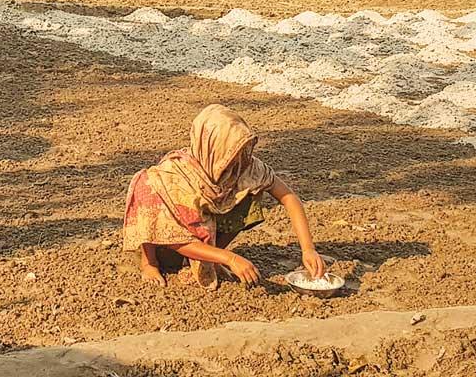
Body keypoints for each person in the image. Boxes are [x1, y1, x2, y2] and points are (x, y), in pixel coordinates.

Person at [122, 104, 326, 289]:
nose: (234, 160)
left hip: (203, 240)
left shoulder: (244, 167)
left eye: (237, 151)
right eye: (227, 153)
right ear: (209, 147)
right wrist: (231, 259)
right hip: (165, 245)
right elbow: (174, 239)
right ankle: (149, 262)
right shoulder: (172, 177)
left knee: (250, 196)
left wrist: (308, 249)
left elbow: (288, 197)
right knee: (146, 187)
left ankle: (210, 257)